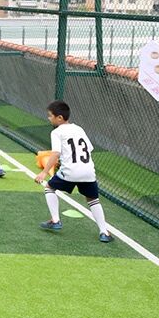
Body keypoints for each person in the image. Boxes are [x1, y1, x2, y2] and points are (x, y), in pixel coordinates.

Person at [36, 100, 113, 242]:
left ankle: (55, 220)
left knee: (49, 187)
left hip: (70, 171)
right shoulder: (79, 129)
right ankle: (104, 232)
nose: (49, 118)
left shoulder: (56, 132)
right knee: (93, 200)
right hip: (88, 171)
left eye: (50, 115)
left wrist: (44, 172)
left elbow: (56, 153)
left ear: (59, 118)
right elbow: (88, 149)